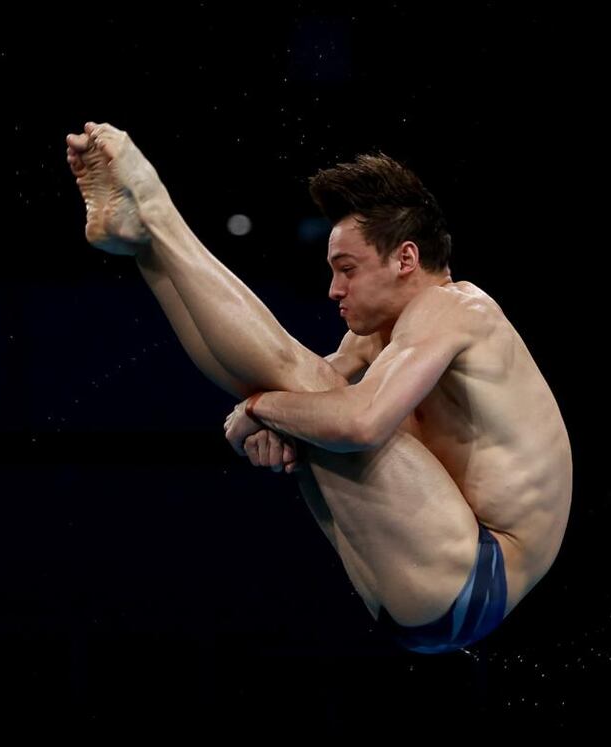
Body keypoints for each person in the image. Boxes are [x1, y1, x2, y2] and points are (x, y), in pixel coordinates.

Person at [65, 121, 573, 654]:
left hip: (475, 573)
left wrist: (262, 408)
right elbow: (281, 384)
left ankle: (157, 211)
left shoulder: (459, 308)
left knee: (311, 395)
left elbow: (356, 422)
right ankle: (146, 248)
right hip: (427, 588)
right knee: (305, 395)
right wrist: (269, 416)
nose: (333, 290)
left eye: (347, 269)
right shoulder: (382, 335)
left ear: (405, 259)